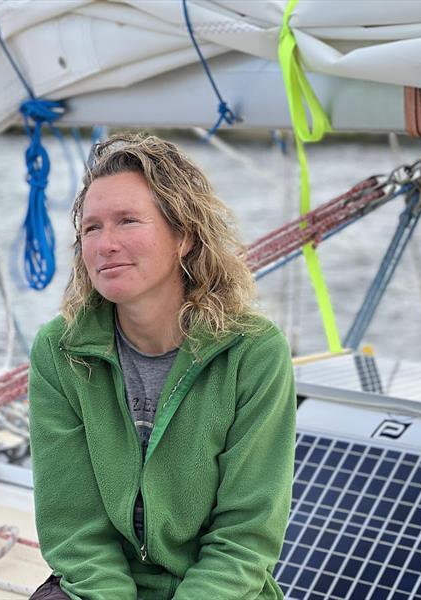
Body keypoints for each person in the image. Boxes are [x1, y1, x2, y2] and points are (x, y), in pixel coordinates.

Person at [28, 133, 296, 600]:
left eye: (127, 221)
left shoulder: (253, 353)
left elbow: (244, 540)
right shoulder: (60, 351)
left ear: (184, 235)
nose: (105, 244)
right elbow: (75, 530)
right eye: (91, 228)